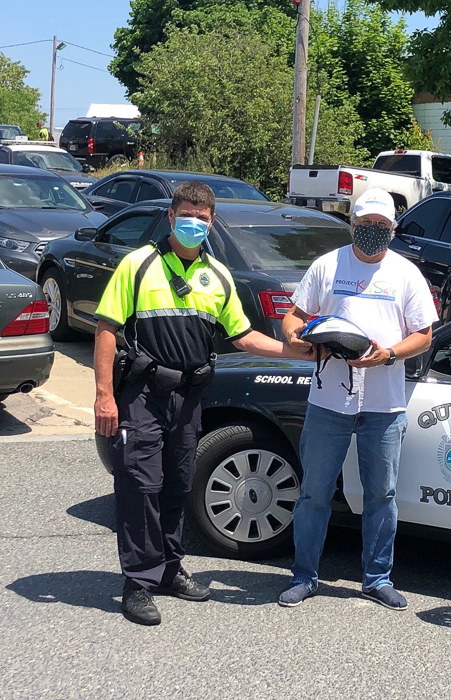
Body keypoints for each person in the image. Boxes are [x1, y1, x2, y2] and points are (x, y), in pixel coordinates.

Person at [94, 182, 310, 626]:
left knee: (177, 484)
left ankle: (171, 570)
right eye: (187, 215)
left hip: (190, 397)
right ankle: (138, 583)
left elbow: (242, 335)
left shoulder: (218, 275)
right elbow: (105, 330)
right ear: (171, 217)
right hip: (143, 395)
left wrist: (293, 351)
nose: (195, 223)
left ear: (212, 224)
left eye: (203, 218)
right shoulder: (138, 265)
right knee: (140, 486)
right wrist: (102, 396)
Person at [277, 188, 437, 611]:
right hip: (328, 400)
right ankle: (304, 576)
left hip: (384, 405)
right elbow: (293, 315)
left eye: (382, 227)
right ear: (352, 225)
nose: (373, 233)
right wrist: (295, 337)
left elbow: (424, 335)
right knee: (314, 491)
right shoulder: (327, 266)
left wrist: (388, 354)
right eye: (365, 226)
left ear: (393, 229)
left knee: (381, 496)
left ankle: (377, 578)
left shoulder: (406, 274)